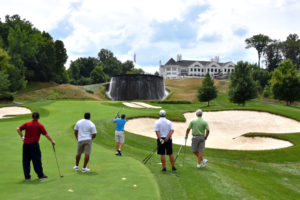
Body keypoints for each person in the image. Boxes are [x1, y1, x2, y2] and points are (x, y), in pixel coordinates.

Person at [17, 112, 55, 180]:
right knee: (36, 160)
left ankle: (27, 177)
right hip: (34, 145)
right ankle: (40, 175)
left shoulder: (27, 123)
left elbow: (18, 129)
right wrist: (52, 141)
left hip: (26, 145)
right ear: (38, 117)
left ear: (32, 117)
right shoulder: (40, 125)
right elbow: (46, 134)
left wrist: (22, 137)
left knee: (26, 161)